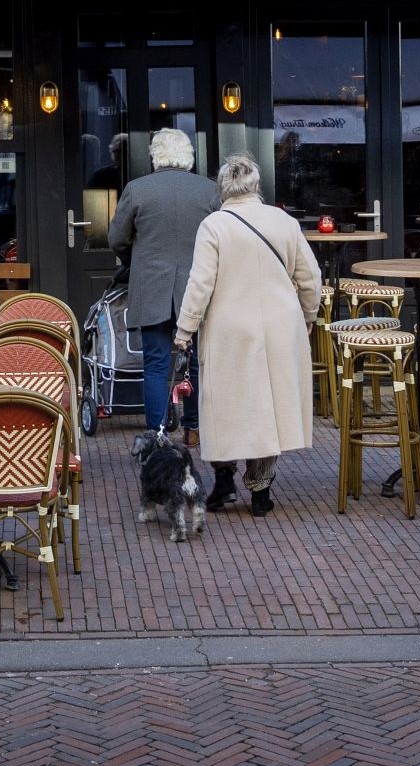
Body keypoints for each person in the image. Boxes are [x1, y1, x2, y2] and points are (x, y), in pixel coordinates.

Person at [172, 153, 321, 515]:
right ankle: (261, 490)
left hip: (230, 328)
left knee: (225, 406)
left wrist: (184, 329)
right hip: (281, 326)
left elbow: (200, 283)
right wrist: (308, 316)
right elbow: (310, 277)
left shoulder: (214, 225)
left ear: (224, 188)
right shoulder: (284, 221)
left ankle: (225, 480)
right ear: (256, 186)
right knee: (267, 408)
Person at [109, 128, 219, 442]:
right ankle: (194, 429)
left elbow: (117, 239)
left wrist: (136, 258)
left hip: (152, 287)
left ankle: (156, 433)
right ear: (188, 156)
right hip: (197, 288)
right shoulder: (209, 191)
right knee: (200, 362)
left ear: (156, 156)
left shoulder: (137, 189)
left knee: (155, 364)